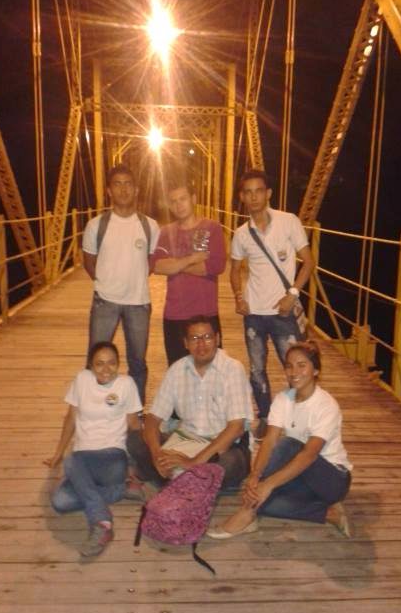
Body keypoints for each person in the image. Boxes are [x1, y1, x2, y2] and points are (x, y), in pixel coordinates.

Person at [207, 340, 352, 539]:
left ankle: (246, 513)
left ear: (316, 370)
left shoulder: (326, 405)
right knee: (264, 502)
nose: (294, 372)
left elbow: (309, 455)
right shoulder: (283, 399)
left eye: (302, 365)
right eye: (289, 366)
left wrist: (267, 484)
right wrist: (255, 476)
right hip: (301, 474)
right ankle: (329, 513)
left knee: (288, 445)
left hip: (332, 479)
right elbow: (268, 442)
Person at [230, 169, 314, 437]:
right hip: (254, 313)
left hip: (283, 311)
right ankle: (266, 417)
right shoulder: (242, 233)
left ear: (268, 193)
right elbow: (234, 269)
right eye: (248, 192)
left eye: (259, 191)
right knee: (257, 370)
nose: (254, 197)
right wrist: (239, 297)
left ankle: (298, 417)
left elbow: (308, 262)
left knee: (295, 367)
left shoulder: (289, 222)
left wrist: (293, 294)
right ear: (242, 197)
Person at [127, 316, 253, 490]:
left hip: (221, 448)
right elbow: (153, 418)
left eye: (207, 337)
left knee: (229, 464)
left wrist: (193, 462)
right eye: (194, 338)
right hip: (184, 441)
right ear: (186, 343)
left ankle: (173, 478)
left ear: (217, 339)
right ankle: (184, 479)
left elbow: (236, 428)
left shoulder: (232, 369)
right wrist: (157, 455)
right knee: (135, 440)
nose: (201, 344)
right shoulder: (177, 370)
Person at [44, 342, 142, 557]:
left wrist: (135, 464)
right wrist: (58, 452)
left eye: (112, 363)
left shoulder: (126, 384)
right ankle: (119, 490)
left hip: (112, 457)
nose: (106, 369)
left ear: (118, 364)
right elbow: (70, 418)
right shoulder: (82, 380)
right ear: (90, 365)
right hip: (84, 458)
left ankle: (102, 523)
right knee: (60, 501)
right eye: (99, 364)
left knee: (72, 461)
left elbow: (134, 425)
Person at [82, 163, 160, 404]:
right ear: (109, 190)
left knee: (138, 362)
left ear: (136, 189)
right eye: (117, 184)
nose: (123, 189)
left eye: (128, 184)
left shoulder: (150, 226)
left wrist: (132, 278)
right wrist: (107, 282)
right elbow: (88, 262)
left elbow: (151, 262)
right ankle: (93, 407)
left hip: (139, 302)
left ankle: (135, 412)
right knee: (95, 359)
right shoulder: (96, 225)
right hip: (105, 301)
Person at [151, 176, 226, 365]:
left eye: (183, 199)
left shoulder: (212, 228)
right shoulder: (166, 232)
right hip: (175, 314)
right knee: (177, 371)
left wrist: (174, 265)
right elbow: (157, 266)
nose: (179, 205)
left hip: (206, 313)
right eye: (173, 201)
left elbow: (215, 266)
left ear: (193, 199)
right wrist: (192, 259)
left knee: (212, 371)